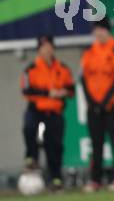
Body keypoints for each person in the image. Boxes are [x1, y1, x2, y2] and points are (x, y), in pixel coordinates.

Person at [20, 35, 75, 191]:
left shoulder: (62, 68)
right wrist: (48, 93)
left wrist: (63, 92)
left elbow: (71, 89)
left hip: (55, 112)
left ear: (53, 48)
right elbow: (26, 90)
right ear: (38, 50)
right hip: (37, 109)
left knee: (55, 147)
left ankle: (56, 179)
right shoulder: (31, 69)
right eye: (43, 47)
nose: (46, 50)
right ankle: (31, 158)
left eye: (49, 46)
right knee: (30, 128)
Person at [81, 19, 114, 192]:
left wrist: (105, 102)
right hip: (93, 107)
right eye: (96, 29)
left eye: (102, 29)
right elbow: (83, 78)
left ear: (108, 31)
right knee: (96, 144)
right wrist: (93, 102)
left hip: (113, 106)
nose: (99, 33)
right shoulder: (88, 51)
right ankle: (95, 180)